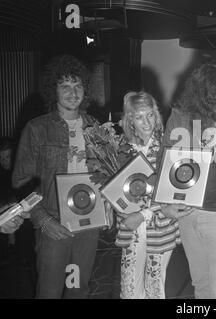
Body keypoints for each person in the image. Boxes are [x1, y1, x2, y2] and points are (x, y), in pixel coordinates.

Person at [159, 61, 216, 299]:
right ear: (204, 95)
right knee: (200, 285)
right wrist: (163, 203)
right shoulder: (181, 117)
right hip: (188, 214)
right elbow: (164, 161)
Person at [12, 54, 101, 298]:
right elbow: (21, 182)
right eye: (65, 87)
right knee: (49, 292)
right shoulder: (37, 128)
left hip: (89, 223)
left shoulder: (95, 127)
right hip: (54, 222)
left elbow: (103, 175)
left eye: (78, 86)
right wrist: (43, 221)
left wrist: (109, 206)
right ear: (54, 90)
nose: (73, 93)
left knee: (78, 290)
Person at [115, 91, 180, 299]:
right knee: (130, 287)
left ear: (157, 115)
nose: (146, 122)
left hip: (159, 225)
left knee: (155, 286)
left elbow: (172, 191)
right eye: (139, 116)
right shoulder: (119, 148)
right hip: (131, 225)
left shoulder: (167, 145)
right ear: (130, 119)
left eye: (150, 115)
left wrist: (143, 214)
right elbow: (114, 190)